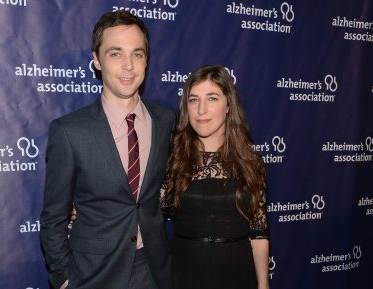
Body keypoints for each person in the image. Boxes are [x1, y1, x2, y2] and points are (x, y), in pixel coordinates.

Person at [40, 11, 175, 289]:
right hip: (93, 274)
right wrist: (63, 279)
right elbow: (54, 218)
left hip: (153, 270)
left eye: (137, 54)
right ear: (97, 60)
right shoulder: (69, 131)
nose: (128, 66)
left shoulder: (165, 121)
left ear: (146, 60)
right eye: (116, 54)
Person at [161, 65, 270, 289]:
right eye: (193, 100)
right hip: (185, 273)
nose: (201, 110)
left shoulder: (251, 161)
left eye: (212, 98)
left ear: (228, 105)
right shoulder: (173, 159)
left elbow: (258, 231)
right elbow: (148, 212)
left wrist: (263, 284)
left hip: (237, 272)